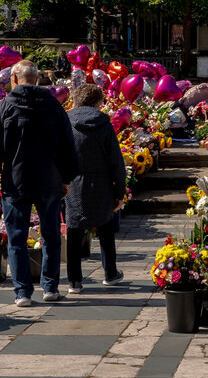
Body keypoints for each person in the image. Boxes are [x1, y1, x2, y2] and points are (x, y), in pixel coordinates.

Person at [0, 60, 78, 307]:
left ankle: (23, 293)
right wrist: (66, 178)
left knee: (17, 239)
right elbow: (68, 145)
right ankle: (50, 287)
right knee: (51, 235)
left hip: (16, 181)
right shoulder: (53, 105)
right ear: (36, 79)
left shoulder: (5, 106)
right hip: (49, 180)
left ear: (15, 79)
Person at [64, 84, 126, 294]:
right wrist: (120, 192)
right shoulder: (104, 125)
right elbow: (117, 162)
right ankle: (110, 273)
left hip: (73, 183)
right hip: (101, 182)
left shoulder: (67, 123)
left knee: (74, 231)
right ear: (99, 102)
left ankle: (74, 281)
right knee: (106, 228)